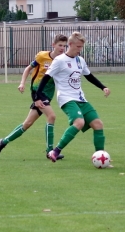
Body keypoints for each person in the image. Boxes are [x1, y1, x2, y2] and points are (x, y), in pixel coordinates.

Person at [34, 31, 111, 162]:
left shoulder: (80, 60)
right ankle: (55, 152)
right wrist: (38, 96)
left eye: (81, 47)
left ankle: (101, 157)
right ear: (70, 44)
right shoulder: (59, 60)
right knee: (79, 122)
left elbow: (89, 76)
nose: (80, 50)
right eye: (78, 47)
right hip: (66, 98)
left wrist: (103, 87)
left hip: (80, 98)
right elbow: (46, 77)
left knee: (98, 124)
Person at [0, 34, 68, 159]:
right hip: (37, 92)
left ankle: (3, 142)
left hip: (48, 94)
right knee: (51, 116)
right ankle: (50, 151)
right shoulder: (42, 56)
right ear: (53, 45)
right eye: (60, 45)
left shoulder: (63, 60)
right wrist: (22, 83)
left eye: (64, 46)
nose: (62, 48)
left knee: (27, 123)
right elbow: (28, 68)